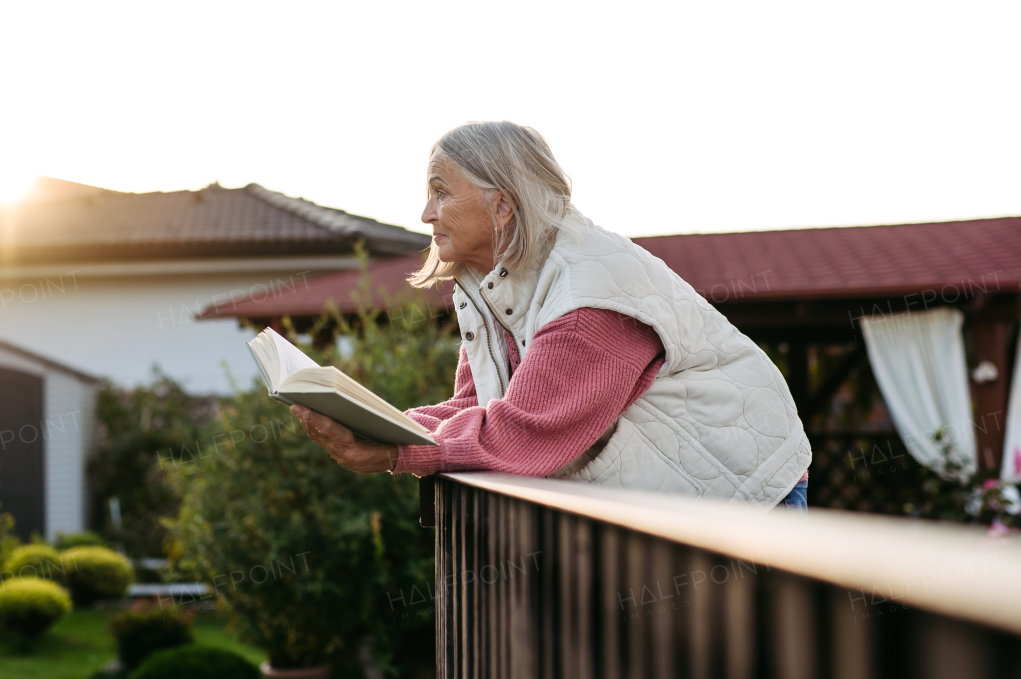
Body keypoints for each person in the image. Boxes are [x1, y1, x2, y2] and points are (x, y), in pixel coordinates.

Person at [292, 121, 811, 508]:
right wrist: (376, 423)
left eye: (441, 191)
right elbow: (479, 405)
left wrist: (394, 452)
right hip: (678, 506)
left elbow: (525, 432)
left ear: (502, 206)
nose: (425, 213)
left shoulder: (589, 289)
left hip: (744, 497)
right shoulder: (489, 284)